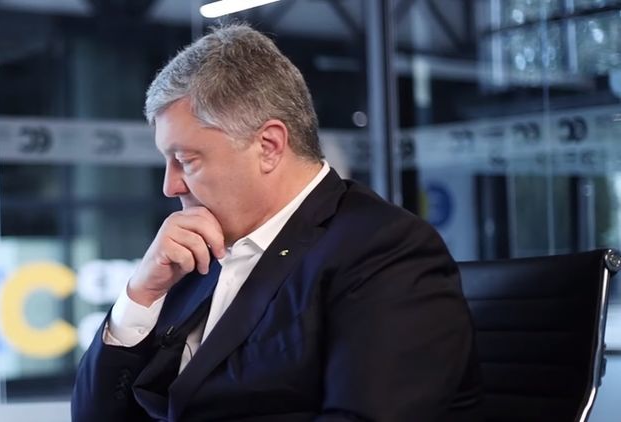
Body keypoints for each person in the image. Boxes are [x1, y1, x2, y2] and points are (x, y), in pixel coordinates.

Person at [72, 23, 482, 422]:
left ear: (268, 147)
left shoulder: (385, 249)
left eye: (186, 160)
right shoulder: (193, 256)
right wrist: (142, 295)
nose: (169, 186)